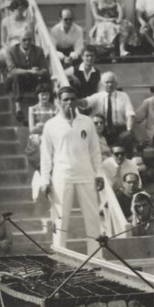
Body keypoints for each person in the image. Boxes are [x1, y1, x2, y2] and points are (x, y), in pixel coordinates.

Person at [40, 87, 105, 250]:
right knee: (61, 220)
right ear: (58, 101)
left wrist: (99, 173)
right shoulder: (51, 125)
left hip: (86, 176)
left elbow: (95, 150)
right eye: (66, 99)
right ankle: (59, 258)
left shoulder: (87, 122)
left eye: (72, 99)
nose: (69, 102)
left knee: (92, 219)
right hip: (62, 177)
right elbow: (46, 155)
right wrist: (45, 179)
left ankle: (97, 259)